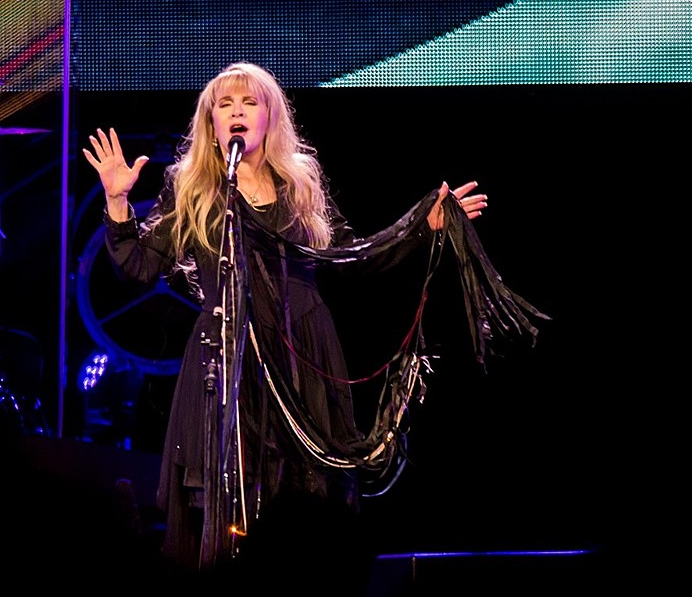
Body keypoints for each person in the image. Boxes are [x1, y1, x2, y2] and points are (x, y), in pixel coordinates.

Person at [83, 61, 547, 579]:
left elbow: (353, 256)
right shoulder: (194, 191)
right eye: (225, 105)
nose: (237, 112)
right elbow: (138, 264)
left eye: (249, 103)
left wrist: (422, 227)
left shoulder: (300, 188)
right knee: (223, 500)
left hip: (301, 354)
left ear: (270, 118)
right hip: (225, 354)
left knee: (301, 502)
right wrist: (118, 200)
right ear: (211, 124)